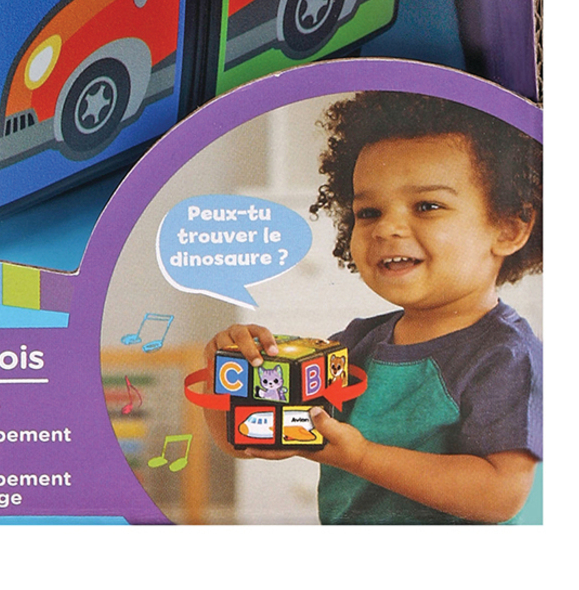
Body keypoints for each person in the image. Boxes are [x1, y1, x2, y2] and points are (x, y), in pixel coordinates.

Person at [210, 93, 542, 523]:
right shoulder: (354, 345)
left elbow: (500, 494)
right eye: (368, 212)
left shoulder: (506, 355)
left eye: (427, 206)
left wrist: (362, 457)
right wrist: (227, 374)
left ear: (510, 228)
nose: (386, 227)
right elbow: (246, 440)